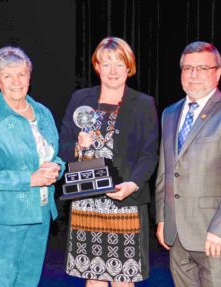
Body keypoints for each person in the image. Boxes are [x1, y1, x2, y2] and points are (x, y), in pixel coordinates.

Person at [155, 41, 221, 286]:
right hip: (177, 234)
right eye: (187, 68)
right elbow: (165, 172)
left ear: (217, 73)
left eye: (202, 68)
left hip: (215, 236)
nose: (193, 75)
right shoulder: (170, 113)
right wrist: (162, 218)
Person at [59, 37, 159, 286]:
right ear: (97, 66)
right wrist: (77, 146)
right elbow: (61, 148)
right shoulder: (80, 99)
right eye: (106, 64)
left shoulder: (144, 104)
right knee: (93, 277)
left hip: (125, 200)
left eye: (119, 64)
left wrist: (133, 184)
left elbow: (149, 154)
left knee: (124, 279)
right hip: (87, 201)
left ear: (129, 67)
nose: (113, 71)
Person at [0, 46, 65, 286]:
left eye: (21, 74)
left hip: (39, 214)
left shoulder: (43, 113)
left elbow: (54, 156)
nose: (16, 82)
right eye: (8, 76)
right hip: (2, 219)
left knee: (28, 282)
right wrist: (29, 178)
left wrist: (57, 168)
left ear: (29, 78)